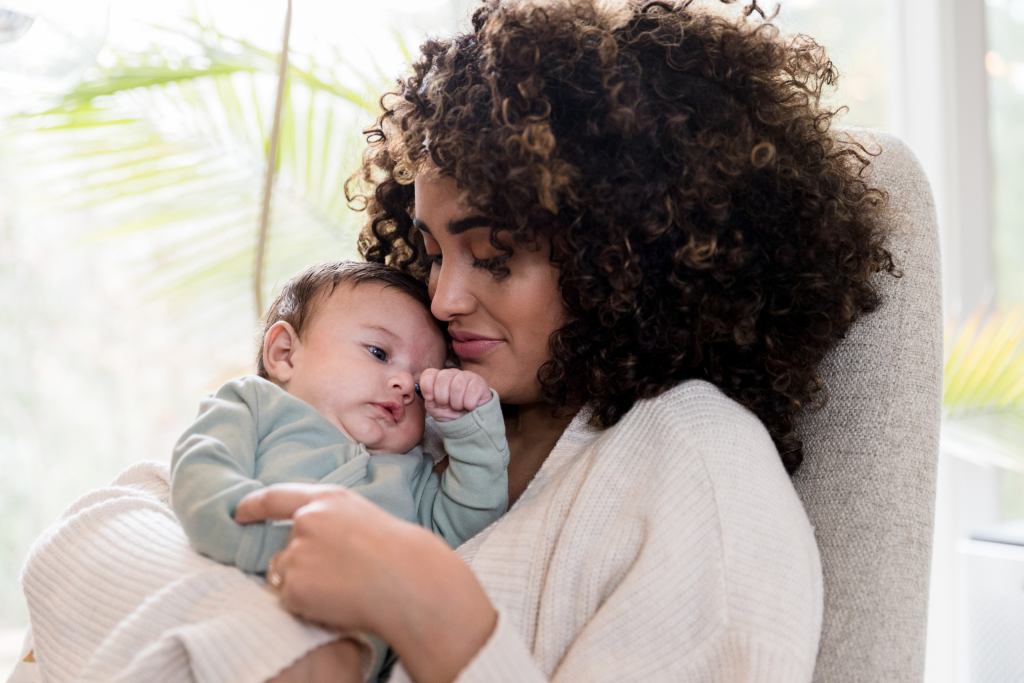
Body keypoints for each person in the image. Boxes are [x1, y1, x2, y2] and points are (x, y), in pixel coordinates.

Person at [15, 1, 896, 682]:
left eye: (495, 257)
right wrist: (271, 649)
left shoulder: (700, 470)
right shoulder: (430, 393)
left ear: (627, 253)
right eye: (435, 250)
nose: (441, 296)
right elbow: (89, 539)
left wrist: (435, 617)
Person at [168, 261, 509, 680]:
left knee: (333, 659)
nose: (405, 383)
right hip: (237, 595)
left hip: (341, 646)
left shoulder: (411, 473)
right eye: (379, 353)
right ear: (285, 354)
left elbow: (468, 525)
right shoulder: (256, 405)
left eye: (420, 385)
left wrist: (472, 430)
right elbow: (201, 471)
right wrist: (269, 545)